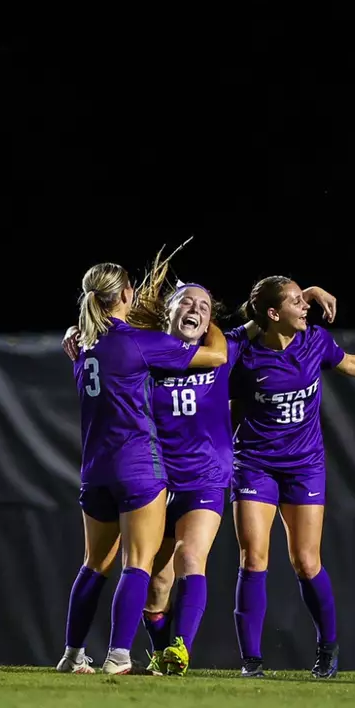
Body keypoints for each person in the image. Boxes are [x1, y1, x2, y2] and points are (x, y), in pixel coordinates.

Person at [60, 278, 339, 675]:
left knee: (191, 556)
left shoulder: (226, 345)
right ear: (168, 312)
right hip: (155, 479)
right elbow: (102, 344)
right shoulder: (148, 350)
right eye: (186, 303)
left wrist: (306, 296)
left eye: (205, 306)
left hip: (205, 478)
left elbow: (265, 314)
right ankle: (159, 654)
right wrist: (73, 333)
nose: (195, 310)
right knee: (155, 585)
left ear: (211, 321)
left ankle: (179, 649)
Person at [228, 276, 355, 679]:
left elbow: (350, 361)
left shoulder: (314, 340)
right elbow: (218, 344)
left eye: (304, 300)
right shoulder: (242, 351)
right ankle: (251, 661)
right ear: (272, 314)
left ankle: (327, 648)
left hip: (304, 464)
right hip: (254, 463)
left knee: (306, 561)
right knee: (254, 557)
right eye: (295, 302)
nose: (306, 306)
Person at [56, 262, 228, 676]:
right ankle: (118, 656)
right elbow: (217, 355)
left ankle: (72, 655)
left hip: (94, 472)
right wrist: (214, 322)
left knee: (93, 564)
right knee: (138, 563)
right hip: (138, 468)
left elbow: (87, 336)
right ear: (128, 296)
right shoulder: (140, 343)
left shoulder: (82, 346)